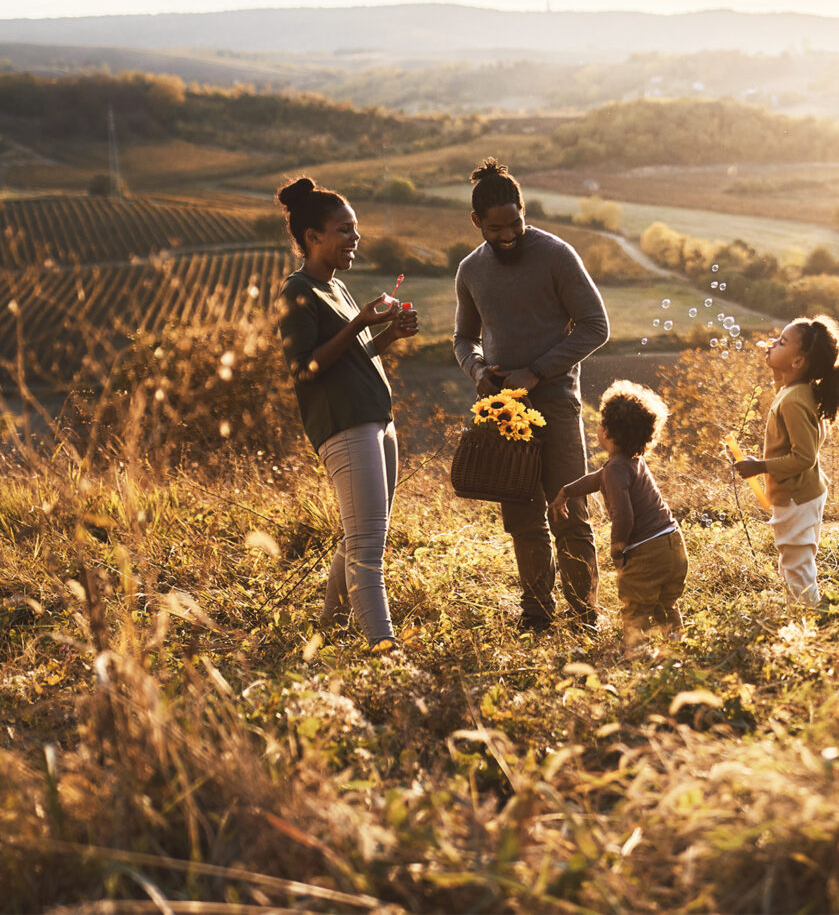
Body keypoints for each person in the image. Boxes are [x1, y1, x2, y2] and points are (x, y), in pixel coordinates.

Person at [454, 158, 610, 631]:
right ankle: (537, 615)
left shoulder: (557, 254)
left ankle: (585, 618)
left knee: (569, 511)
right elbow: (463, 338)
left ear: (525, 213)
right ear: (477, 222)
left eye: (515, 224)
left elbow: (596, 326)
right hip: (505, 413)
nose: (507, 236)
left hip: (557, 402)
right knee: (522, 518)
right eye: (496, 228)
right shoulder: (470, 270)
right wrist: (477, 368)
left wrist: (537, 372)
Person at [275, 176, 418, 654]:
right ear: (313, 238)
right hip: (345, 427)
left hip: (378, 421)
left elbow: (353, 355)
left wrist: (388, 337)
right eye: (344, 230)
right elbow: (305, 368)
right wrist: (360, 323)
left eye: (355, 230)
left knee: (361, 530)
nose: (355, 239)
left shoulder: (337, 287)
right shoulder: (297, 292)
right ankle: (383, 645)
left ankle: (328, 626)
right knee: (368, 545)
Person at [732, 316, 839, 606]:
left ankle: (811, 614)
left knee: (796, 560)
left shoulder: (793, 399)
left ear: (798, 362)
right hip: (798, 494)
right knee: (792, 556)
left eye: (782, 342)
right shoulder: (796, 392)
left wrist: (760, 466)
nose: (771, 344)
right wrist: (778, 367)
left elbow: (803, 457)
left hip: (797, 497)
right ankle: (799, 606)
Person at [549, 381, 685, 645]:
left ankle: (635, 656)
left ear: (608, 431)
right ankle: (677, 645)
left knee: (635, 608)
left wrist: (617, 548)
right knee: (665, 603)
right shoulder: (631, 461)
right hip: (673, 545)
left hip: (647, 552)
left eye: (601, 423)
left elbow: (624, 516)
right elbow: (596, 479)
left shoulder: (615, 469)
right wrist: (566, 491)